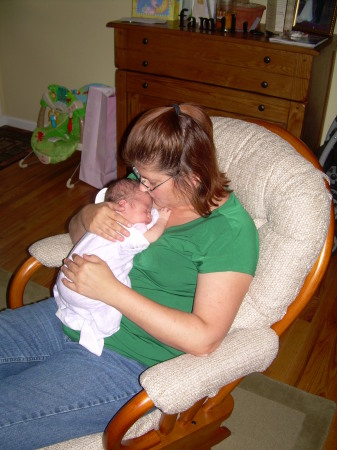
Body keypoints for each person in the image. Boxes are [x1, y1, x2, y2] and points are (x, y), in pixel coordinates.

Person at [0, 103, 259, 449]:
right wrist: (89, 215)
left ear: (193, 176)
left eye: (150, 181)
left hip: (126, 361)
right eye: (138, 172)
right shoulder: (144, 188)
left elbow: (205, 338)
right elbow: (79, 234)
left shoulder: (229, 232)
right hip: (70, 314)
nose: (140, 185)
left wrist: (111, 291)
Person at [54, 178, 171, 356]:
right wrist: (161, 219)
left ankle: (75, 316)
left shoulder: (108, 220)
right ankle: (100, 330)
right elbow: (151, 236)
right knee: (119, 287)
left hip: (65, 281)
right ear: (122, 205)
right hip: (86, 293)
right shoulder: (128, 230)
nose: (149, 216)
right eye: (146, 211)